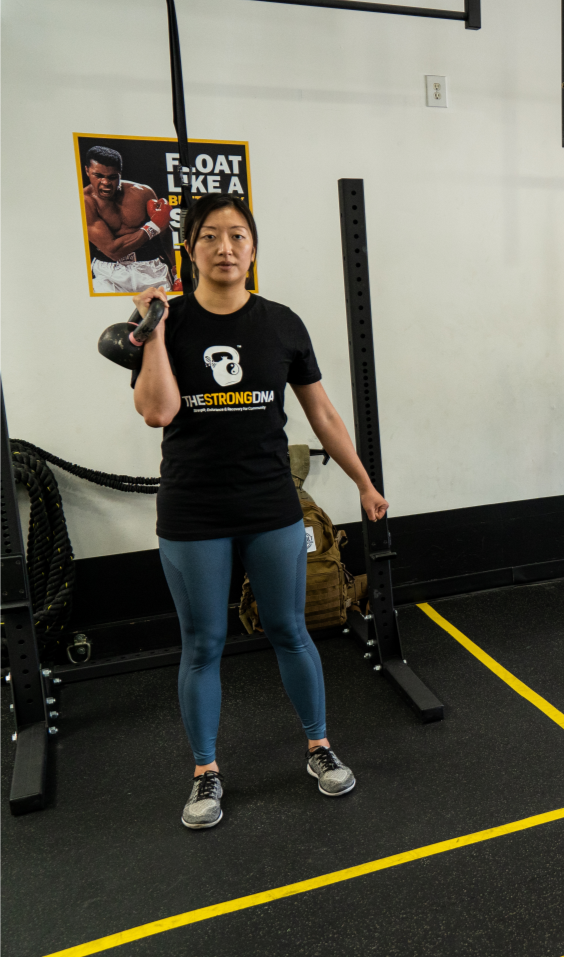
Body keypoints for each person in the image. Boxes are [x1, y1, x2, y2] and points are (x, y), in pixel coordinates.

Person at [130, 192, 388, 829]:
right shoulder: (167, 323)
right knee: (203, 644)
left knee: (290, 629)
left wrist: (363, 482)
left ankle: (319, 746)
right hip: (193, 510)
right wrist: (154, 331)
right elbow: (158, 411)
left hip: (271, 505)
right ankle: (205, 772)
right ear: (189, 249)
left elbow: (322, 414)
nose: (225, 247)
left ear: (253, 249)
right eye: (210, 236)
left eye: (238, 236)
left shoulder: (282, 324)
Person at [82, 144, 180, 296]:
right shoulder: (85, 201)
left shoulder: (143, 193)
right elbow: (113, 251)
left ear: (120, 173)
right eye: (98, 175)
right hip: (109, 274)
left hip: (151, 268)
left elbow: (165, 232)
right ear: (87, 170)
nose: (106, 182)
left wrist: (177, 270)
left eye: (112, 177)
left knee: (164, 310)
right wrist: (153, 226)